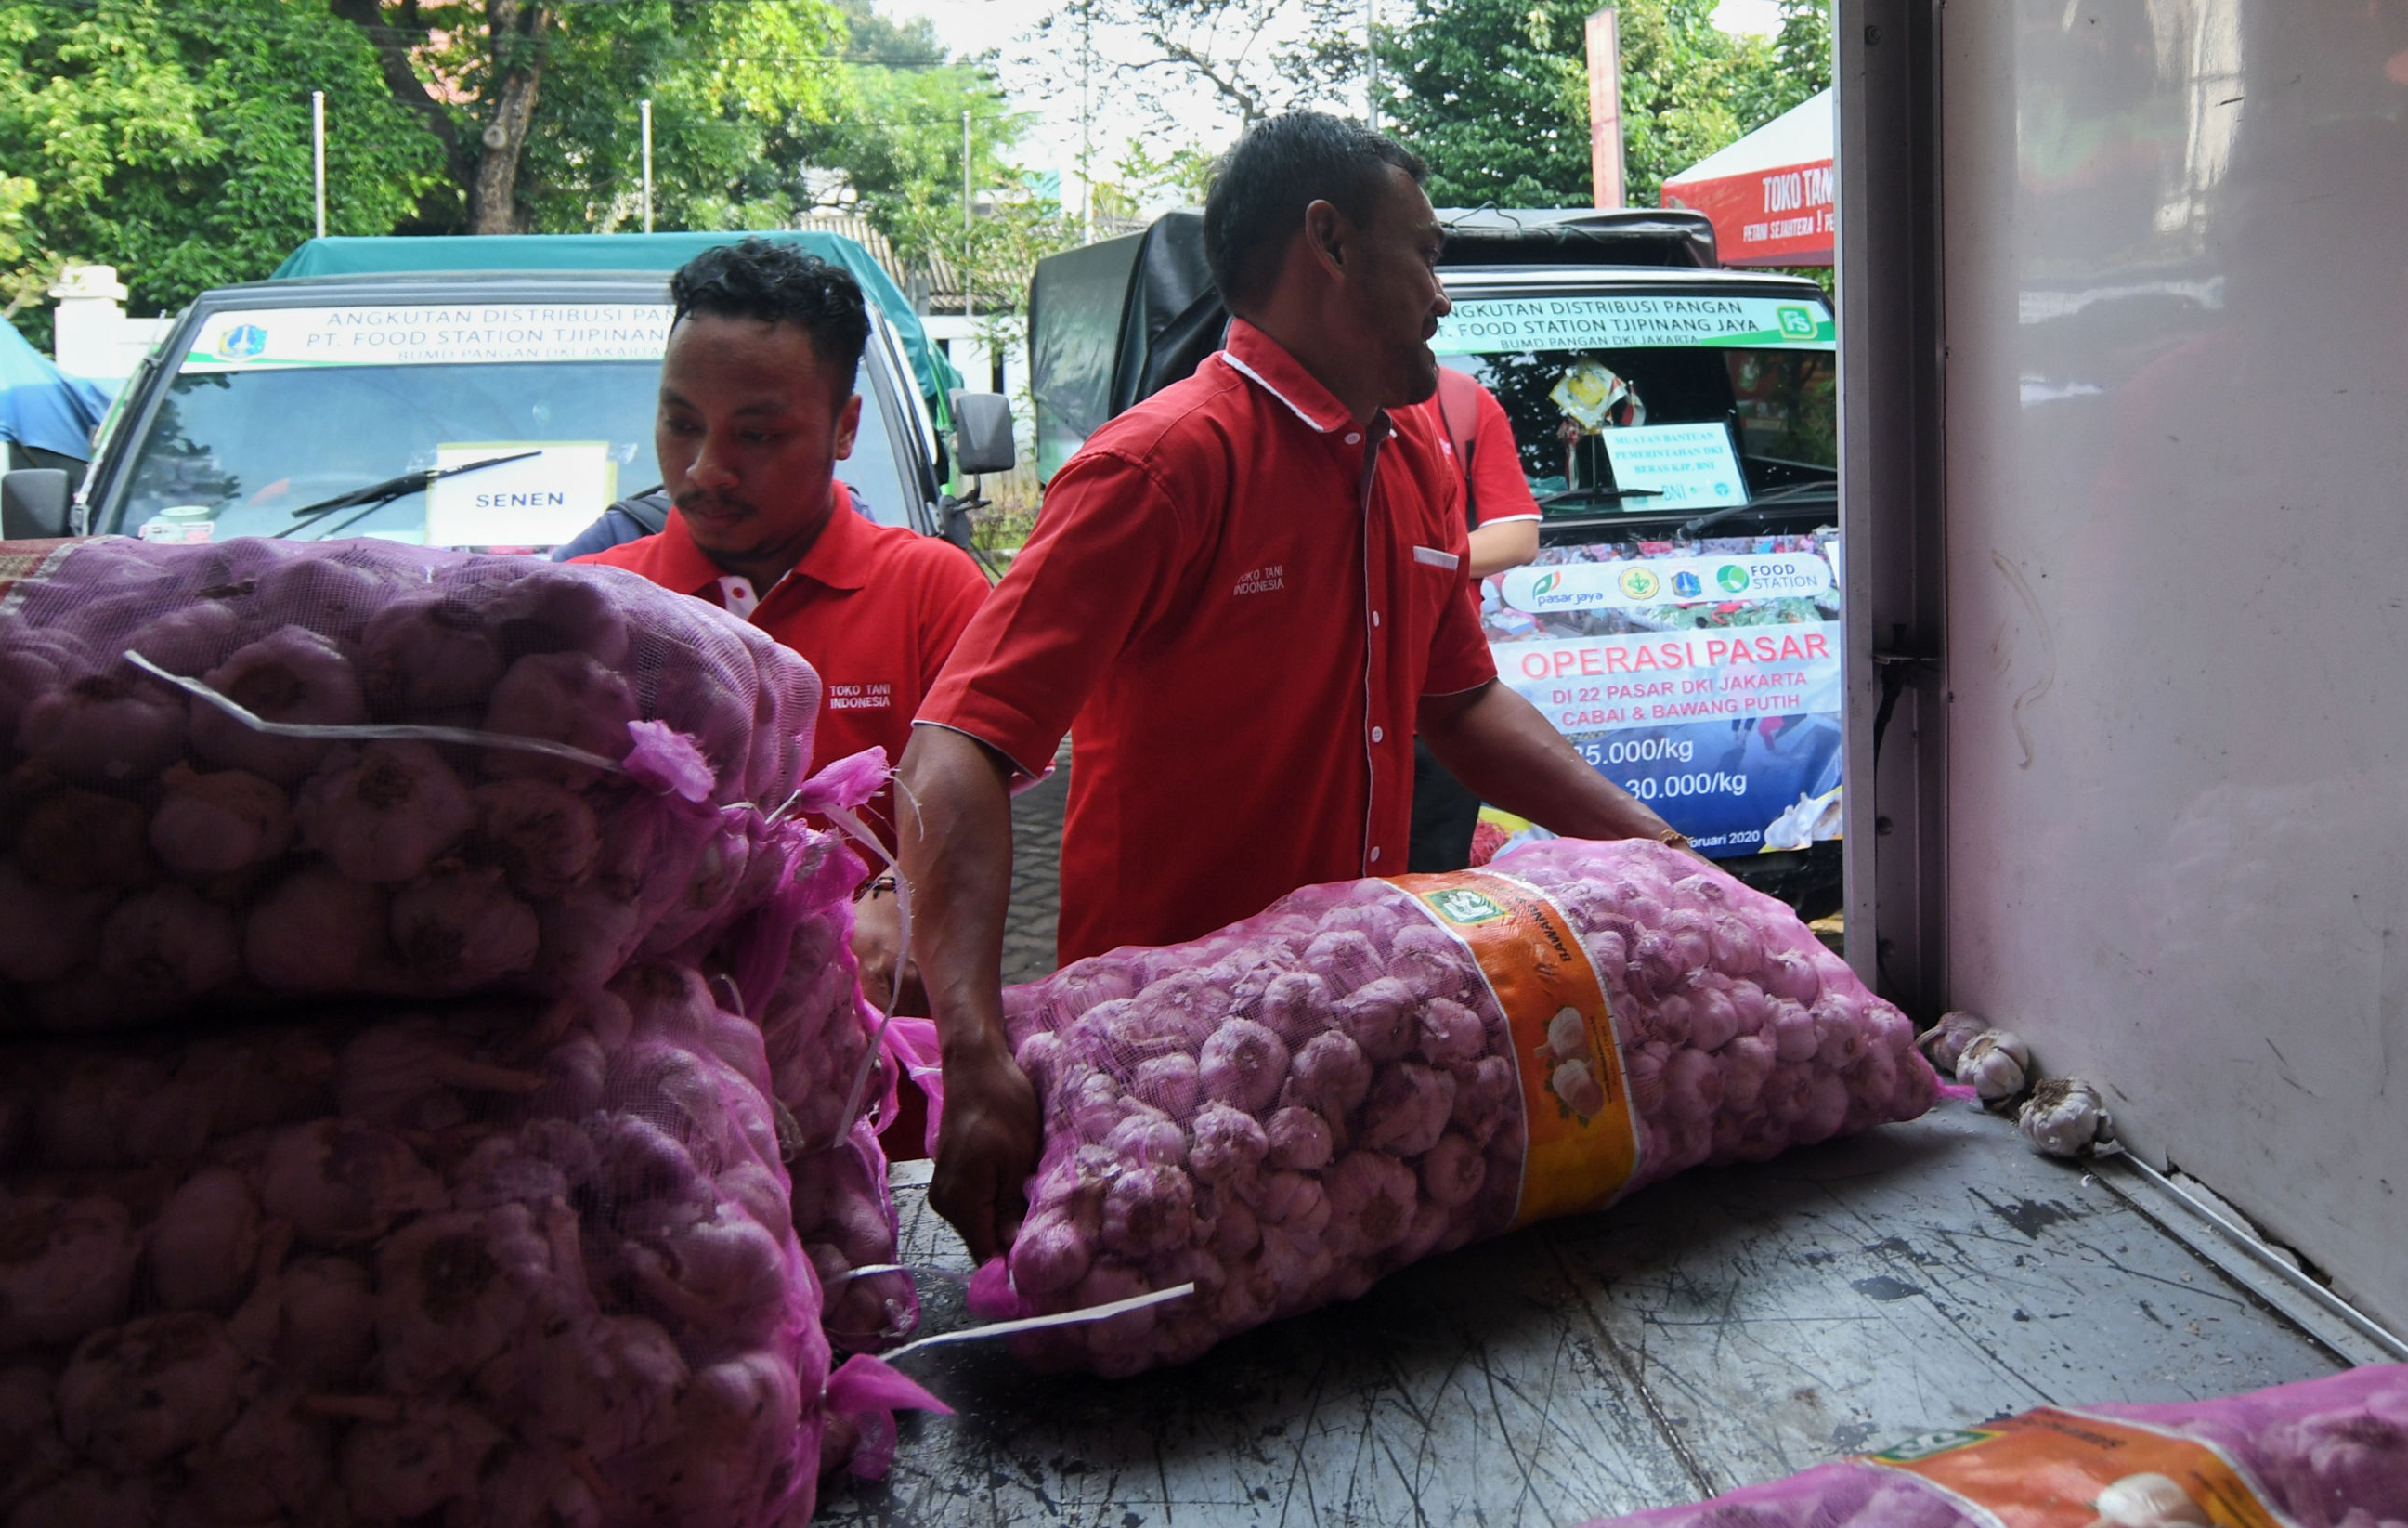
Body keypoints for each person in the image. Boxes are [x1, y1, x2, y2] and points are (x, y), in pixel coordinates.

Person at [894, 112, 1679, 1260]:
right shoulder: (1155, 468)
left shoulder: (1412, 458)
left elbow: (1459, 706)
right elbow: (955, 744)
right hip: (1164, 1047)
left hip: (1349, 1021)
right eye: (1426, 252)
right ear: (1331, 242)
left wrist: (1659, 857)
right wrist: (974, 1045)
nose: (1443, 296)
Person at [569, 239, 990, 871]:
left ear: (845, 427)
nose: (707, 470)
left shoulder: (932, 594)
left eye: (757, 435)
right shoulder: (591, 605)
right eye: (682, 425)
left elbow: (972, 836)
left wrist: (899, 900)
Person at [1407, 365, 1543, 870]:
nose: (1436, 303)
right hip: (1328, 722)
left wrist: (1395, 558)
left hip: (1439, 707)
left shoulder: (1460, 400)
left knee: (1429, 902)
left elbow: (1516, 538)